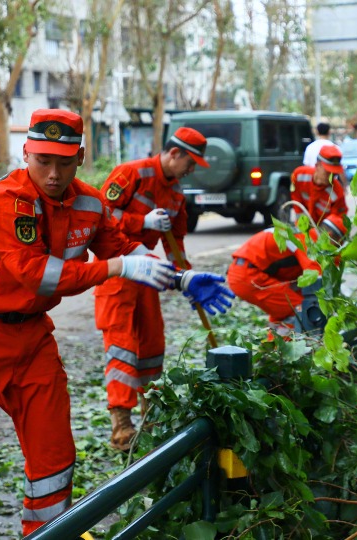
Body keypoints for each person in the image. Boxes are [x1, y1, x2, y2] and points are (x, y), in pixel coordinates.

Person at [0, 109, 231, 539]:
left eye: (64, 162)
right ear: (26, 153)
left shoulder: (89, 203)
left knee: (54, 460)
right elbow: (37, 273)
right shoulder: (4, 200)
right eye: (43, 161)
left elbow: (122, 248)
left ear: (81, 157)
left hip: (32, 338)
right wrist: (117, 267)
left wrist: (182, 277)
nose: (53, 174)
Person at [95, 126, 233, 451]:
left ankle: (151, 414)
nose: (193, 169)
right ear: (174, 153)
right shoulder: (131, 173)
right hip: (117, 271)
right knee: (122, 345)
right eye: (191, 162)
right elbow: (100, 218)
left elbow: (177, 245)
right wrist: (141, 223)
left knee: (152, 344)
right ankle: (122, 424)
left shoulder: (175, 194)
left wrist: (187, 279)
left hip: (149, 275)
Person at [227, 214, 347, 337]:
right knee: (300, 311)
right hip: (249, 275)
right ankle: (283, 351)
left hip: (247, 272)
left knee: (285, 309)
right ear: (333, 237)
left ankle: (271, 347)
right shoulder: (309, 241)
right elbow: (317, 278)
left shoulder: (302, 234)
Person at [290, 144, 349, 225]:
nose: (331, 177)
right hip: (302, 227)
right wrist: (302, 226)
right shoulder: (299, 175)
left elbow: (339, 221)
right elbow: (296, 200)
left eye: (334, 174)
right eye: (328, 172)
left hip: (323, 233)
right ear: (317, 166)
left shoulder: (337, 193)